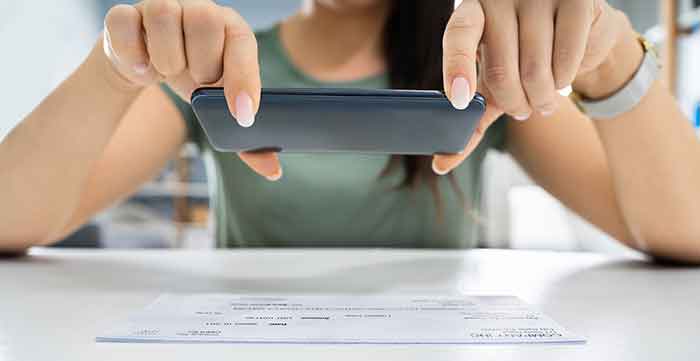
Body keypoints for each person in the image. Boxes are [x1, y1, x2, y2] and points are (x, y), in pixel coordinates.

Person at [1, 0, 699, 262]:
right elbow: (11, 220)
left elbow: (683, 233)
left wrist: (612, 58)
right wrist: (116, 65)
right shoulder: (213, 71)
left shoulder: (477, 71)